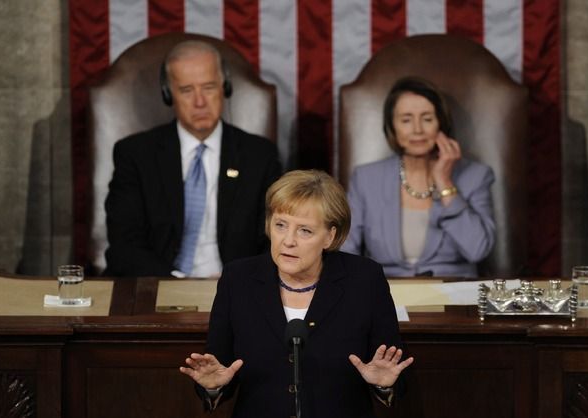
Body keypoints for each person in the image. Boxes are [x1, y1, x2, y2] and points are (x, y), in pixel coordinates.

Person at [179, 170, 413, 418]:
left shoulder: (365, 280)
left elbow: (394, 374)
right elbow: (219, 371)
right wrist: (213, 386)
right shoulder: (238, 279)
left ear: (330, 236)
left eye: (305, 231)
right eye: (280, 225)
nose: (288, 241)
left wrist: (383, 384)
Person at [104, 40, 282, 277]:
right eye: (187, 90)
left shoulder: (260, 156)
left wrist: (236, 281)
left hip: (235, 289)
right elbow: (124, 245)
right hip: (158, 286)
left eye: (208, 87)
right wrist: (176, 284)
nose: (200, 102)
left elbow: (275, 241)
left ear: (224, 87)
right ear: (168, 94)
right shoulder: (136, 154)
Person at [341, 77, 495, 277]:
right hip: (385, 295)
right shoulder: (365, 178)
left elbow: (477, 250)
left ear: (442, 124)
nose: (417, 130)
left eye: (427, 119)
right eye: (406, 120)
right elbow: (345, 250)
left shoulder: (475, 176)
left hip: (453, 295)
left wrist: (445, 183)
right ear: (392, 128)